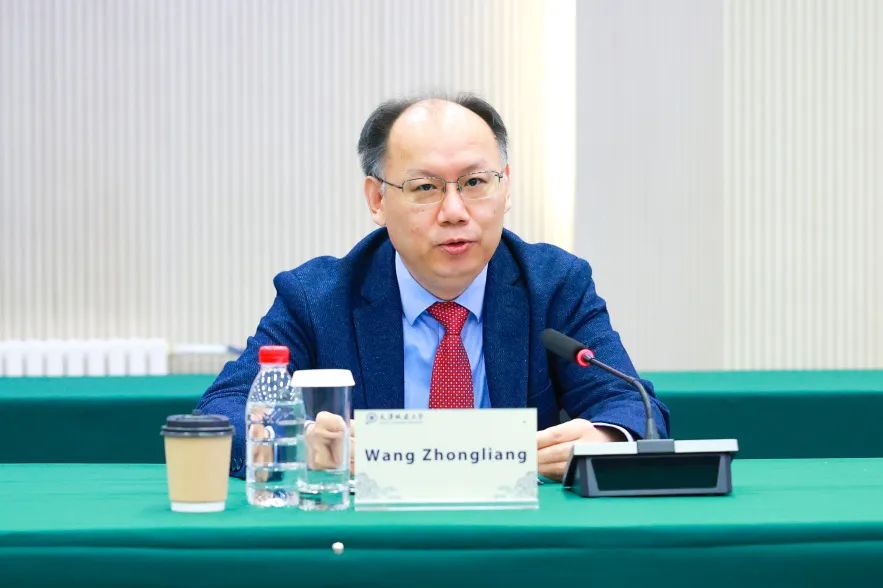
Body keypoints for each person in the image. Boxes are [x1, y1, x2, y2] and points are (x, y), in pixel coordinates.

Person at [197, 93, 670, 482]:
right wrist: (303, 445)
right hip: (374, 540)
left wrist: (604, 440)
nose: (455, 211)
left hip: (515, 537)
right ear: (377, 199)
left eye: (475, 182)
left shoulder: (554, 285)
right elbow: (223, 413)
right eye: (425, 188)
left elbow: (631, 407)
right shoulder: (318, 299)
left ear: (506, 188)